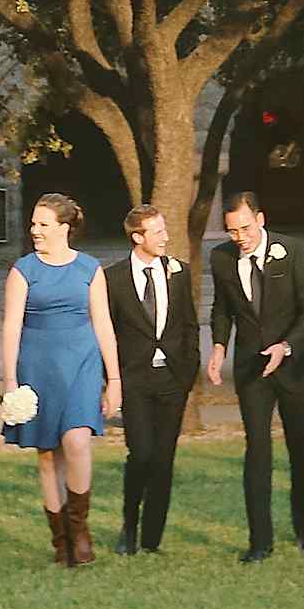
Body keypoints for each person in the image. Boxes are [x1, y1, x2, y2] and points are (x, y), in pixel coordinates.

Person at [2, 191, 121, 567]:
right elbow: (10, 327)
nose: (34, 230)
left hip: (82, 364)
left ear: (64, 228)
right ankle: (60, 542)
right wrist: (9, 382)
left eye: (43, 224)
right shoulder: (23, 270)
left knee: (77, 440)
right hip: (37, 367)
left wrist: (113, 377)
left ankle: (80, 528)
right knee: (48, 455)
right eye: (33, 223)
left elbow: (103, 323)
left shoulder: (89, 268)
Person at [206, 186, 304, 563]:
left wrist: (286, 347)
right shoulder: (221, 259)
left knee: (299, 446)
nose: (239, 238)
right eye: (232, 231)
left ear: (260, 219)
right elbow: (222, 309)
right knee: (257, 448)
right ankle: (260, 541)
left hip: (294, 364)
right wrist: (220, 346)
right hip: (251, 368)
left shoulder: (291, 251)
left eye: (244, 228)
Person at [102, 203, 199, 555]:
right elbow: (106, 331)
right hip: (135, 380)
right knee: (141, 453)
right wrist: (112, 380)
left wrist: (188, 372)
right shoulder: (113, 278)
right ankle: (129, 525)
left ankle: (152, 537)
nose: (166, 237)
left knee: (163, 458)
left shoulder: (179, 273)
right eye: (157, 231)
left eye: (164, 229)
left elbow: (189, 325)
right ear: (137, 236)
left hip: (172, 378)